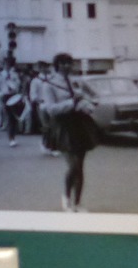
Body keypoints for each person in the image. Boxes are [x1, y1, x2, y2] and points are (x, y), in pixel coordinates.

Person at [39, 52, 97, 212]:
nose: (67, 66)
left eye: (69, 63)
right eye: (63, 63)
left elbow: (89, 96)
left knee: (81, 166)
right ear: (57, 65)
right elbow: (51, 110)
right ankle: (66, 198)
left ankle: (78, 203)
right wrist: (72, 102)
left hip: (80, 124)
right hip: (64, 126)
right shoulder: (49, 84)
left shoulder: (76, 81)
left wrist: (87, 104)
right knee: (74, 165)